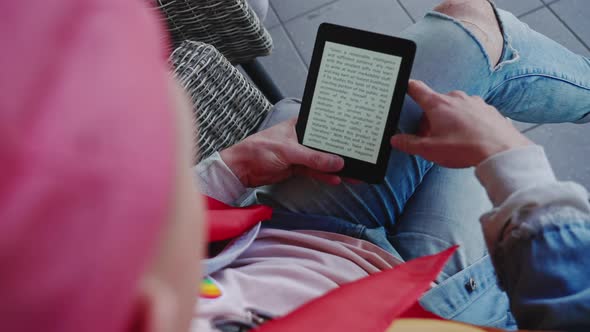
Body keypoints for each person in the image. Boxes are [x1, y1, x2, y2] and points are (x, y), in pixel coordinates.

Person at [1, 2, 588, 332]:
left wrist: (231, 167)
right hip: (427, 298)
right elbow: (569, 310)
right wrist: (509, 158)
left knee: (457, 50)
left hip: (285, 233)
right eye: (164, 190)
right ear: (148, 310)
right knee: (469, 80)